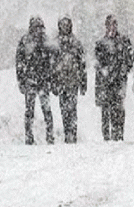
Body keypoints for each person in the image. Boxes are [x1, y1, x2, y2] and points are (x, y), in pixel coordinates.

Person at [94, 14, 134, 141]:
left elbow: (131, 56)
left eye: (114, 25)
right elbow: (98, 63)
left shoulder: (123, 41)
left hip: (119, 80)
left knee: (118, 108)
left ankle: (118, 134)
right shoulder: (101, 43)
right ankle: (106, 135)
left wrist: (125, 68)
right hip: (105, 82)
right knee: (106, 109)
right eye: (109, 25)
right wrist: (103, 73)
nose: (112, 28)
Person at [15, 16, 54, 145]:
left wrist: (50, 78)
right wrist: (21, 80)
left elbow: (51, 62)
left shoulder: (45, 42)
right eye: (36, 27)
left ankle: (49, 135)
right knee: (30, 110)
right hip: (31, 80)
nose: (38, 30)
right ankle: (29, 135)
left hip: (42, 81)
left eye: (39, 27)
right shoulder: (26, 41)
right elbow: (19, 62)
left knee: (45, 109)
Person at [50, 15, 87, 143]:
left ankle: (73, 133)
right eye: (63, 25)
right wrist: (53, 82)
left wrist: (83, 83)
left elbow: (82, 64)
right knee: (64, 109)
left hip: (73, 81)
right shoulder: (55, 44)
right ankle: (67, 133)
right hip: (61, 82)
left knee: (72, 108)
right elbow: (52, 65)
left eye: (67, 25)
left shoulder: (76, 43)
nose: (65, 27)